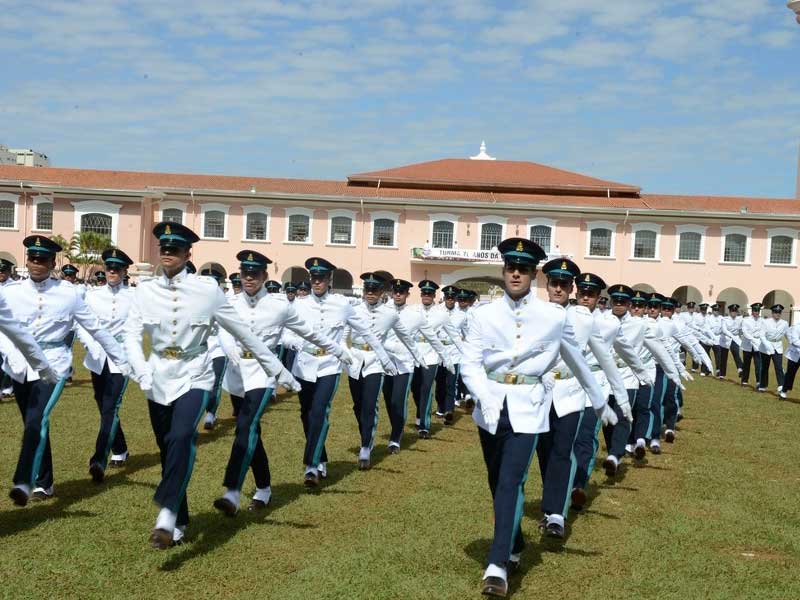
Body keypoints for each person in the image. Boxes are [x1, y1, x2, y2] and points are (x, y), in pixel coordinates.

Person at [125, 222, 299, 549]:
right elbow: (131, 334)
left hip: (195, 371)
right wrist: (140, 369)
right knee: (168, 447)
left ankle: (165, 515)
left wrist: (278, 370)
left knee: (181, 437)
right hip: (158, 373)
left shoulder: (207, 291)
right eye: (163, 248)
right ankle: (180, 518)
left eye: (174, 249)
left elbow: (245, 334)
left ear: (188, 253)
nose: (167, 254)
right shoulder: (145, 290)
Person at [461, 239, 607, 597]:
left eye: (523, 268)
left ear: (532, 274)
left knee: (511, 480)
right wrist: (482, 394)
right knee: (497, 482)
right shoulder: (482, 314)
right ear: (503, 270)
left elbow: (577, 359)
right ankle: (514, 541)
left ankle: (498, 564)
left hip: (528, 406)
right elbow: (469, 363)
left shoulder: (554, 317)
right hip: (491, 406)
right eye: (511, 266)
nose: (516, 273)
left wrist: (600, 398)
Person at [213, 250, 350, 515]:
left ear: (265, 276)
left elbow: (308, 332)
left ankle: (232, 492)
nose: (249, 278)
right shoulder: (230, 303)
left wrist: (340, 351)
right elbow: (221, 329)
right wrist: (229, 347)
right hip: (237, 372)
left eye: (255, 273)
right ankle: (264, 487)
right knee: (252, 432)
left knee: (246, 425)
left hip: (264, 374)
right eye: (245, 273)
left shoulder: (280, 306)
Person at [4, 236, 126, 506]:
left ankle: (25, 479)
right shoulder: (10, 292)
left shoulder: (68, 293)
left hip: (53, 363)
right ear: (27, 260)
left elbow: (96, 328)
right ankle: (45, 482)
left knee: (39, 417)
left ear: (52, 262)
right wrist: (9, 352)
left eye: (43, 259)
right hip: (20, 364)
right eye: (32, 258)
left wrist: (123, 360)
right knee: (33, 422)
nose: (37, 264)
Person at [536, 264, 624, 539]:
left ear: (571, 288)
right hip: (539, 392)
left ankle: (556, 515)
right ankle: (550, 503)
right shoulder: (534, 314)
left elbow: (604, 356)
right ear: (547, 285)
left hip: (572, 391)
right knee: (544, 452)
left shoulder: (584, 319)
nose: (559, 289)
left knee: (563, 450)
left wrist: (615, 396)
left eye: (564, 284)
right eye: (554, 283)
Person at [291, 257, 395, 487]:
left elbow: (366, 332)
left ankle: (311, 466)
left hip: (329, 365)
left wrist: (385, 358)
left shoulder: (342, 305)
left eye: (321, 278)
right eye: (314, 278)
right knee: (306, 414)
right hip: (304, 364)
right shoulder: (299, 304)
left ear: (329, 279)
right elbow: (286, 330)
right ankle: (322, 459)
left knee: (319, 411)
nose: (317, 282)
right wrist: (293, 342)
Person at [347, 273, 425, 469]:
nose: (370, 293)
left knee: (369, 403)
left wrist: (418, 357)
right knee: (358, 405)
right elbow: (343, 334)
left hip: (376, 362)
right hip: (355, 361)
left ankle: (366, 446)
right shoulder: (353, 310)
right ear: (363, 291)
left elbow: (406, 337)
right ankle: (365, 433)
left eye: (374, 290)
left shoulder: (390, 314)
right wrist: (345, 353)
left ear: (382, 292)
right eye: (367, 290)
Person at [76, 248, 135, 481]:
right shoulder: (92, 295)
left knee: (111, 406)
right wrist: (90, 344)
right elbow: (81, 323)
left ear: (124, 271)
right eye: (109, 268)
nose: (112, 272)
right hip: (97, 357)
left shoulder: (134, 298)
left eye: (117, 268)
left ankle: (99, 459)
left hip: (121, 359)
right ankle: (120, 449)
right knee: (102, 405)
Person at [381, 279, 453, 453]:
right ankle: (402, 424)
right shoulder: (385, 311)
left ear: (407, 294)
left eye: (401, 291)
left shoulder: (420, 315)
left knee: (410, 395)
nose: (398, 294)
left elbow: (434, 337)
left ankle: (401, 435)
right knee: (391, 400)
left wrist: (447, 358)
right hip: (388, 361)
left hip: (414, 360)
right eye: (395, 291)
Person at [410, 280, 464, 439]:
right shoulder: (412, 310)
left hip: (431, 354)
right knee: (415, 388)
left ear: (434, 296)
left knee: (426, 389)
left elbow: (455, 335)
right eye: (424, 293)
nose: (426, 296)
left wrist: (468, 355)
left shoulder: (441, 314)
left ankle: (424, 426)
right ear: (421, 295)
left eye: (429, 294)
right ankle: (420, 413)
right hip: (414, 354)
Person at [199, 267, 230, 430]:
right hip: (198, 351)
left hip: (218, 349)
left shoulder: (225, 303)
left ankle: (211, 413)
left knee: (215, 383)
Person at [434, 285, 467, 424]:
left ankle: (449, 411)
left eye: (452, 297)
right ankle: (441, 407)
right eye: (447, 297)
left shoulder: (462, 315)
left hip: (454, 352)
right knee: (439, 383)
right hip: (439, 352)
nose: (450, 300)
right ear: (444, 297)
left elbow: (467, 333)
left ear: (456, 299)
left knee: (451, 383)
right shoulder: (436, 312)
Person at [760, 304, 787, 393]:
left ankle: (781, 385)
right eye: (775, 312)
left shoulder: (784, 323)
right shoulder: (766, 322)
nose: (777, 314)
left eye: (779, 312)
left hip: (778, 346)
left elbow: (787, 335)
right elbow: (762, 336)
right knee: (765, 367)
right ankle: (763, 386)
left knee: (779, 366)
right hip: (766, 346)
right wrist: (768, 346)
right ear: (772, 313)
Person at [740, 303, 764, 387]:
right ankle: (744, 381)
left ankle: (759, 382)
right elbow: (745, 332)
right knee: (746, 364)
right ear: (752, 311)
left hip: (758, 345)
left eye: (758, 310)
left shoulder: (762, 320)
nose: (756, 312)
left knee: (758, 364)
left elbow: (764, 331)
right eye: (755, 310)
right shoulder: (746, 320)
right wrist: (752, 339)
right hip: (748, 344)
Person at [719, 304, 743, 379]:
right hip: (725, 339)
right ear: (730, 312)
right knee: (723, 356)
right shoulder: (724, 319)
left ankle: (740, 369)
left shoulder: (740, 319)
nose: (734, 313)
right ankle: (722, 374)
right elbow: (724, 330)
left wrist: (741, 335)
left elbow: (741, 329)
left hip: (735, 338)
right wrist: (731, 336)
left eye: (735, 311)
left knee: (736, 352)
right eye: (732, 311)